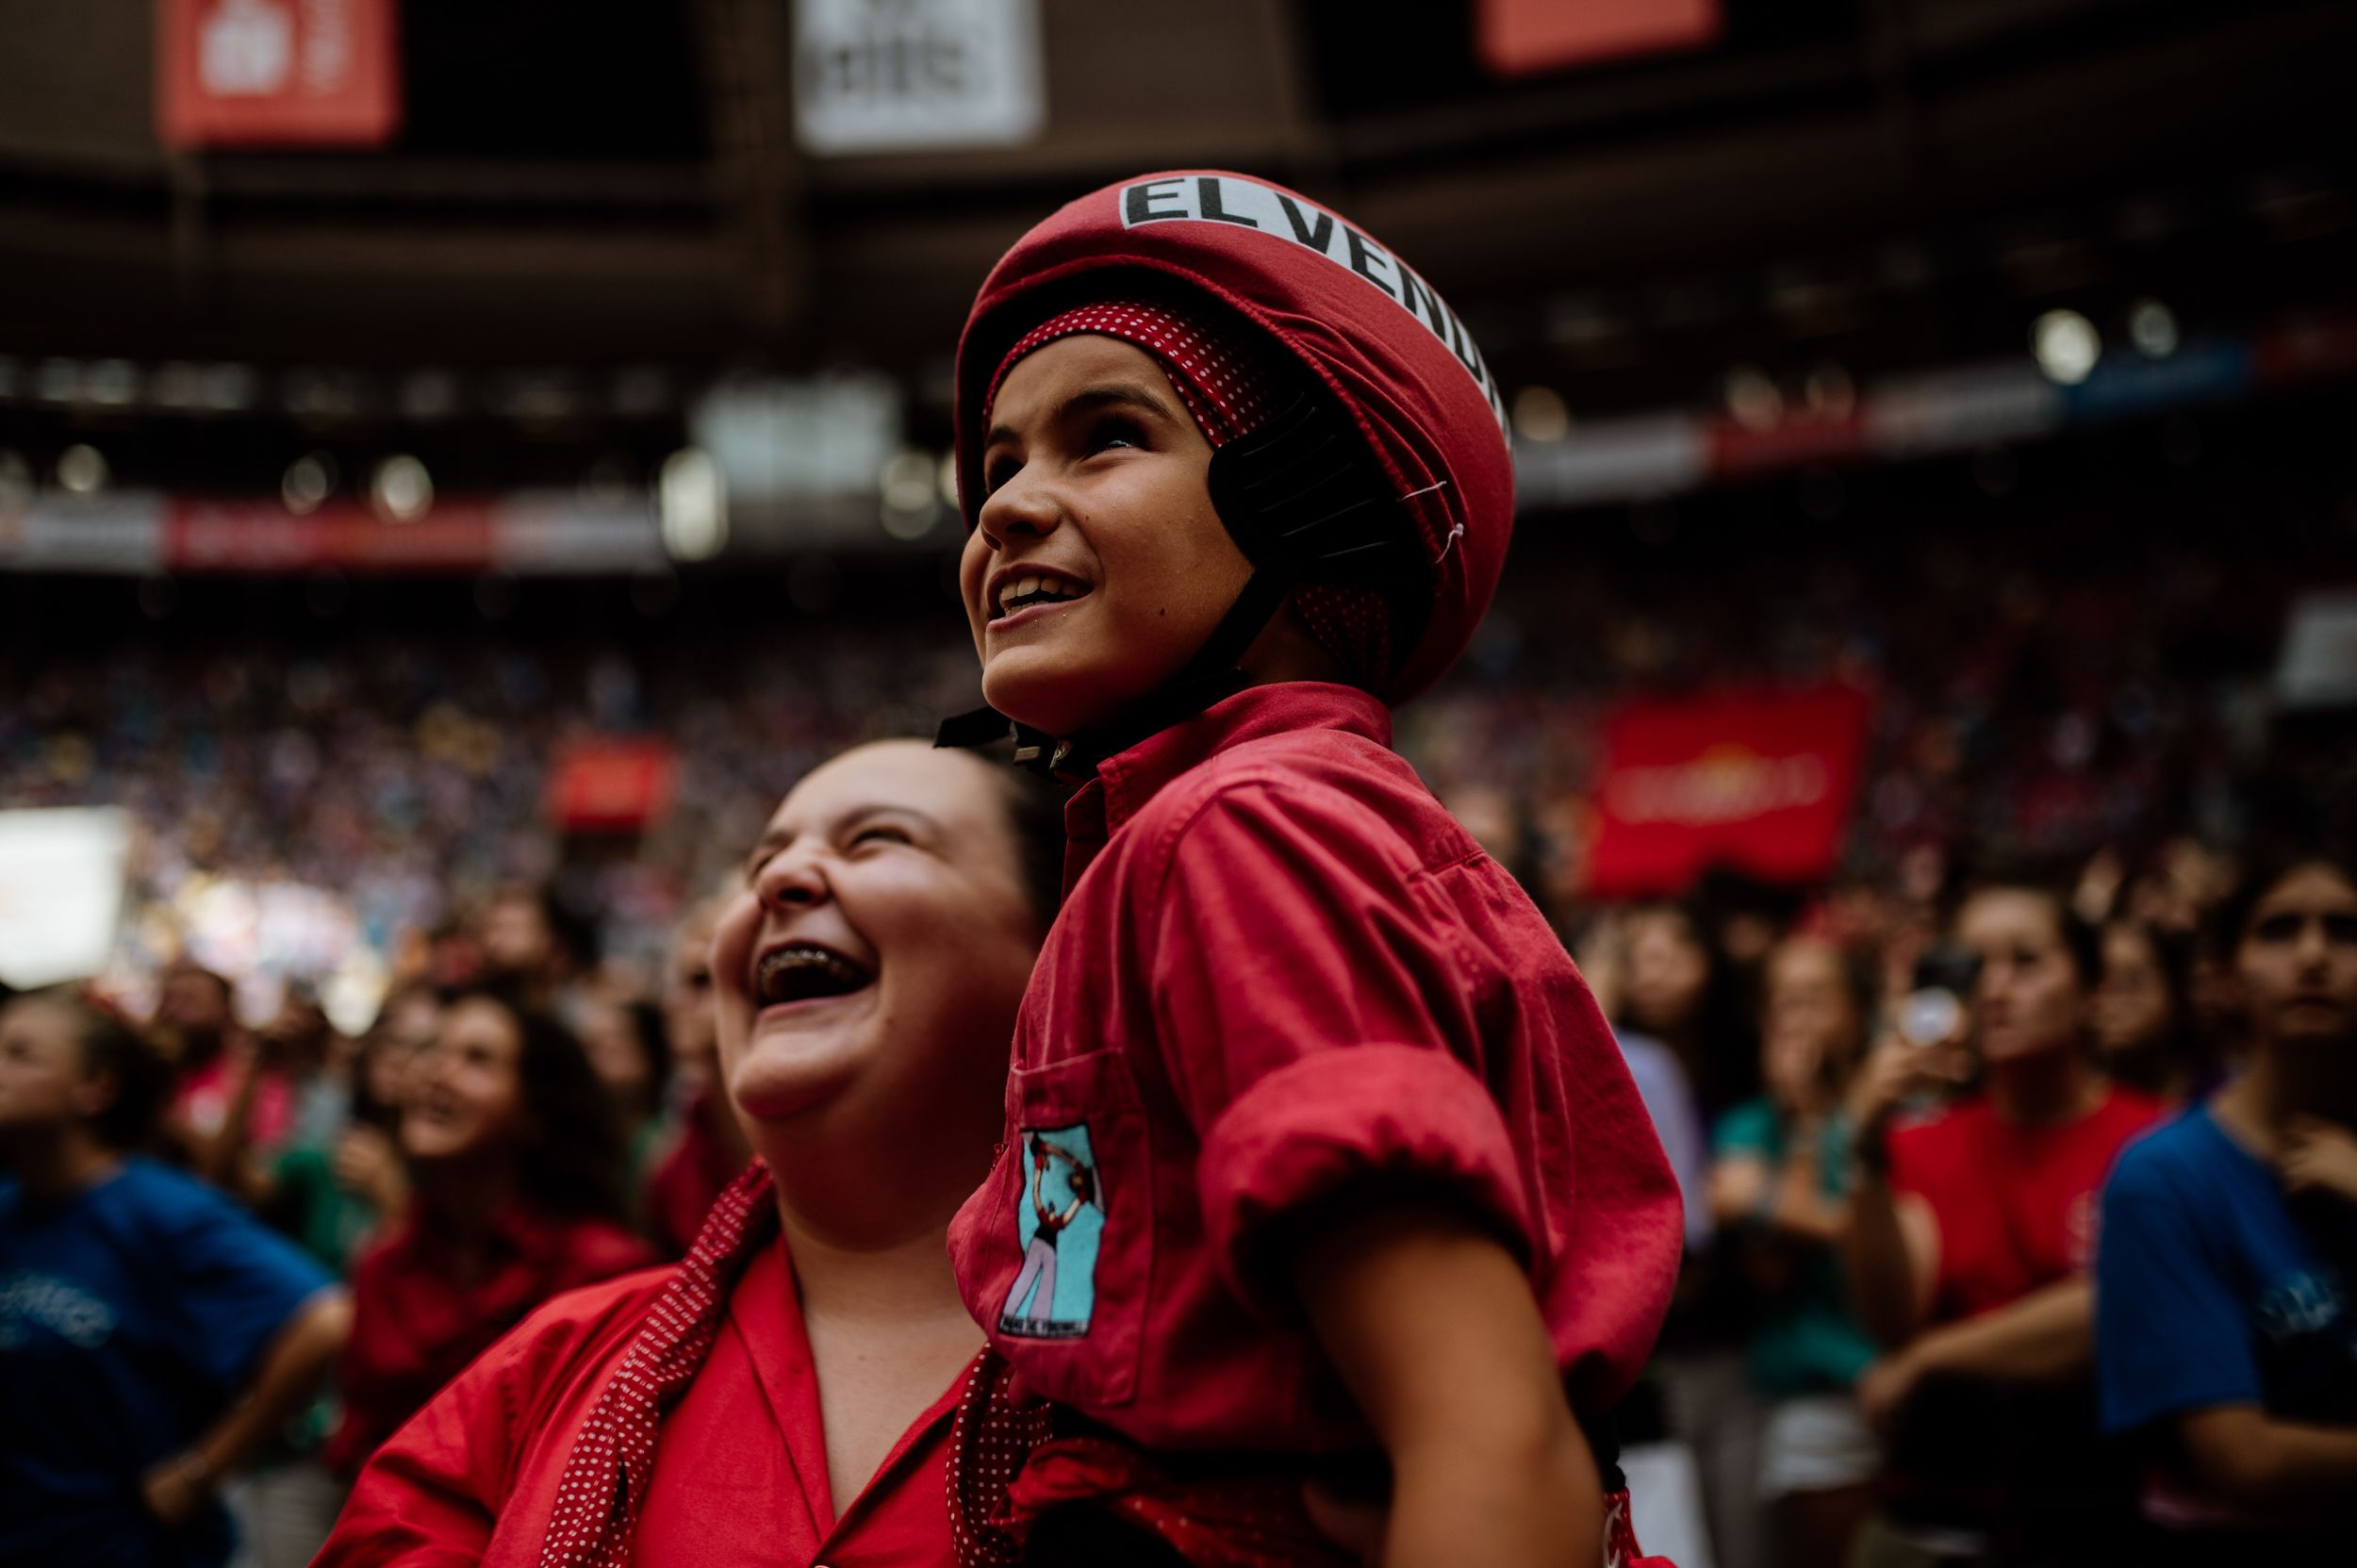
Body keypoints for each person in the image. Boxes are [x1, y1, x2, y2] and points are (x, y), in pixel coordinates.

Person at [936, 171, 1682, 1566]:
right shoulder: (1253, 821)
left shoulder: (1241, 829)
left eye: (1107, 437)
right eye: (996, 465)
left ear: (1301, 509)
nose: (1009, 511)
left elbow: (1488, 1435)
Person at [314, 739, 1063, 1566]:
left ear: (1064, 941)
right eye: (761, 863)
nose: (779, 882)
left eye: (877, 839)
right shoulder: (555, 1363)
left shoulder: (1178, 1368)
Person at [1844, 882, 2166, 1563]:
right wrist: (1865, 1140)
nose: (1994, 988)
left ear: (2091, 990)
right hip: (1938, 1502)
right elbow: (1893, 1313)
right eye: (1974, 965)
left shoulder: (2153, 1140)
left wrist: (1930, 1356)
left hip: (2100, 1506)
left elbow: (2124, 1305)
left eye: (2026, 962)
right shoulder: (1924, 1142)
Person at [0, 987, 351, 1568]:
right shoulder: (11, 1207)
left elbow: (324, 1320)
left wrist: (202, 1470)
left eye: (21, 1054)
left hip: (124, 1546)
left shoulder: (158, 1210)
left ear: (96, 1089)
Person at [2096, 850, 2357, 1555]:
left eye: (2343, 930)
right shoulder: (2166, 1178)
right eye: (2278, 930)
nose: (2312, 954)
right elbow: (2245, 1461)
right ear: (2227, 978)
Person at [323, 988, 651, 1477]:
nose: (435, 1073)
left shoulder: (603, 1271)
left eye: (477, 1060)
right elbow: (360, 1452)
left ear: (534, 1114)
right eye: (433, 1052)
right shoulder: (382, 1266)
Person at [1707, 935, 1880, 1568]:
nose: (1795, 1018)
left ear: (1858, 1013)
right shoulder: (1747, 1125)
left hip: (1899, 1384)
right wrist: (1804, 1122)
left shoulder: (1895, 1111)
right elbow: (1771, 1269)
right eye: (1781, 1003)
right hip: (1809, 1397)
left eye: (1814, 999)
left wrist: (1775, 1205)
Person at [640, 898, 752, 1257]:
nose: (674, 1002)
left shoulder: (808, 1141)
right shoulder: (672, 1164)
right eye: (675, 982)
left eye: (701, 981)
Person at [2089, 916, 2200, 1102]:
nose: (2107, 1001)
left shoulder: (2223, 1096)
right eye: (2096, 984)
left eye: (2130, 984)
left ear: (2175, 991)